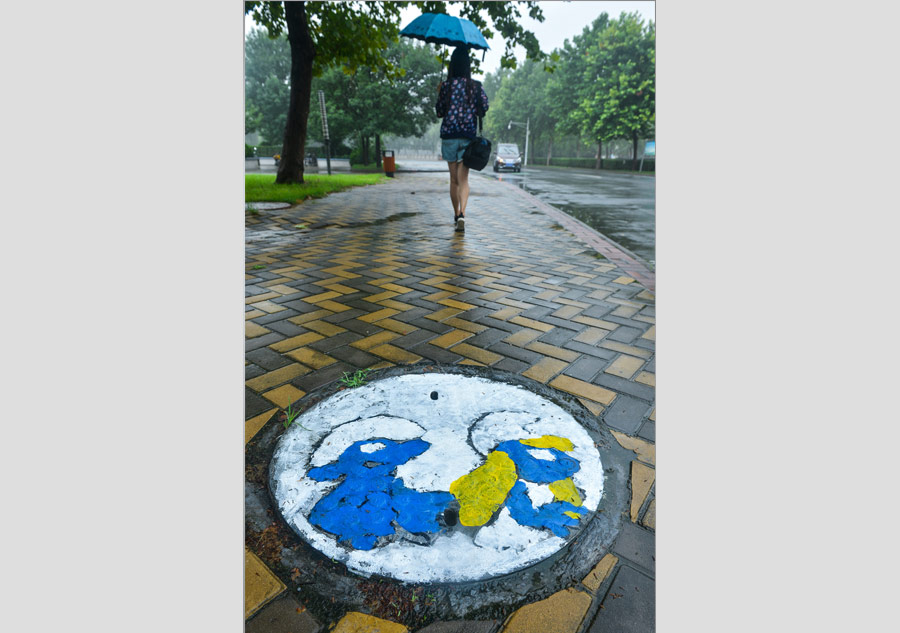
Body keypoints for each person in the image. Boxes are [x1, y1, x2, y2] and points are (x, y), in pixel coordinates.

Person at [436, 46, 489, 233]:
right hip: (467, 137)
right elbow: (484, 107)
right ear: (468, 66)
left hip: (449, 136)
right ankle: (462, 214)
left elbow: (439, 112)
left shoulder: (446, 86)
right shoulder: (475, 86)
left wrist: (440, 92)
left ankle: (455, 213)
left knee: (453, 180)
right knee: (463, 180)